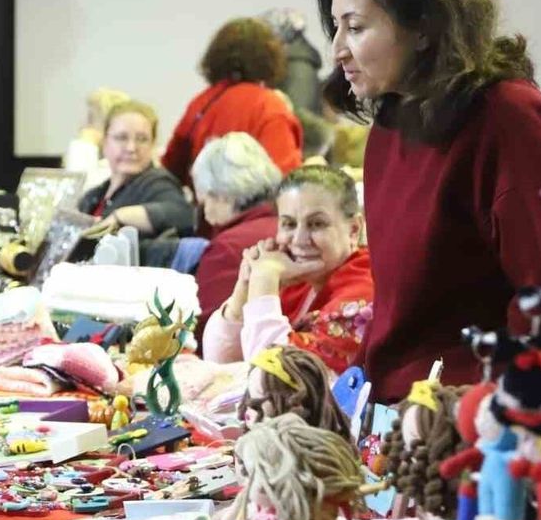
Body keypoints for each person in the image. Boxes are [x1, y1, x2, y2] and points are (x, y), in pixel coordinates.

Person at [317, 0, 541, 401]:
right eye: (336, 28)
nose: (338, 49)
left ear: (423, 27)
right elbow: (400, 313)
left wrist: (488, 412)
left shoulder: (507, 119)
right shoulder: (392, 124)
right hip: (406, 413)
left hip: (471, 422)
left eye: (355, 28)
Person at [202, 165, 372, 375]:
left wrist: (264, 280)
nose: (299, 240)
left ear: (354, 229)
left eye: (317, 224)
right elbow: (219, 361)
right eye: (289, 224)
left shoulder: (366, 288)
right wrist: (244, 290)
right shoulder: (297, 276)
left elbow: (278, 378)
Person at [162, 18, 304, 192]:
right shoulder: (270, 106)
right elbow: (285, 179)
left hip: (205, 213)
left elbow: (170, 170)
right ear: (269, 58)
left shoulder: (200, 103)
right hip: (254, 216)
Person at [190, 132, 281, 341]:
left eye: (205, 198)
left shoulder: (226, 249)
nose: (204, 210)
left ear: (222, 194)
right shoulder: (282, 228)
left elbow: (202, 334)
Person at [77, 99, 194, 240]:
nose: (131, 148)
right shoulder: (94, 195)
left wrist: (121, 216)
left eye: (142, 139)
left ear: (153, 144)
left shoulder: (157, 183)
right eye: (121, 138)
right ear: (105, 143)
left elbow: (182, 215)